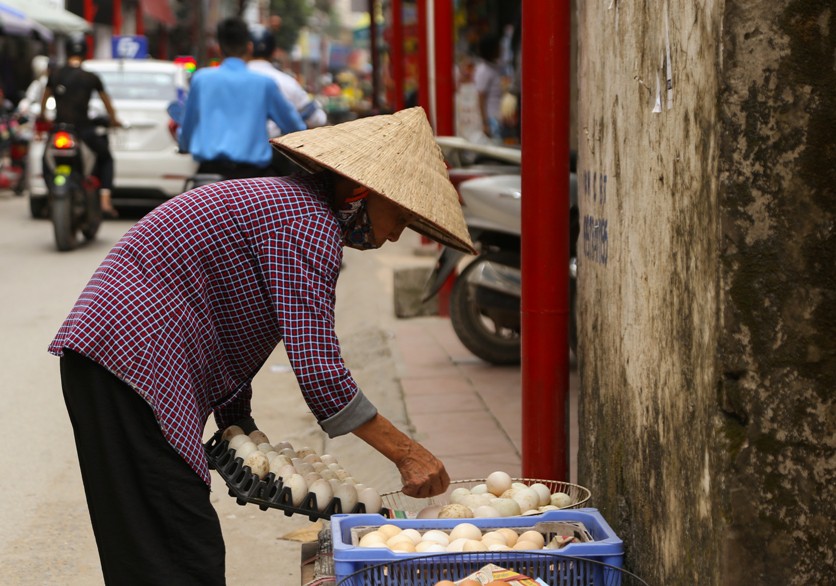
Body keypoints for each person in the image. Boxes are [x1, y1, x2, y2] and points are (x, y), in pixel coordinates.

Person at [51, 107, 476, 584]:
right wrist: (407, 453)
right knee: (176, 544)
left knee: (156, 542)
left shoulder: (295, 209)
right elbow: (321, 374)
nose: (397, 233)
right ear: (360, 193)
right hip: (129, 359)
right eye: (398, 216)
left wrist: (239, 426)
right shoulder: (308, 223)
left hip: (119, 358)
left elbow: (231, 326)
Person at [178, 17, 305, 180]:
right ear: (249, 47)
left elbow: (187, 127)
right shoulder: (264, 84)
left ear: (218, 48)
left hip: (208, 176)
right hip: (252, 179)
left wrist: (184, 146)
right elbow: (294, 126)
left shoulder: (201, 80)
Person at [39, 35, 121, 218]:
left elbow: (44, 99)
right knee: (106, 157)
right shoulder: (90, 77)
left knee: (45, 160)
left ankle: (50, 194)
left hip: (59, 129)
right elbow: (107, 103)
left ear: (66, 51)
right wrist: (114, 120)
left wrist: (44, 116)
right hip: (82, 130)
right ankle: (105, 198)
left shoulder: (56, 74)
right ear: (84, 53)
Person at [247, 24, 327, 175]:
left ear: (247, 48)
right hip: (269, 163)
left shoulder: (215, 79)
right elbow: (314, 120)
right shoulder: (285, 82)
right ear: (273, 51)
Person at [473, 35, 504, 142]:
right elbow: (481, 97)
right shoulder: (484, 71)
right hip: (491, 119)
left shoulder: (494, 67)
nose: (501, 49)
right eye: (498, 46)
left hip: (498, 117)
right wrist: (485, 123)